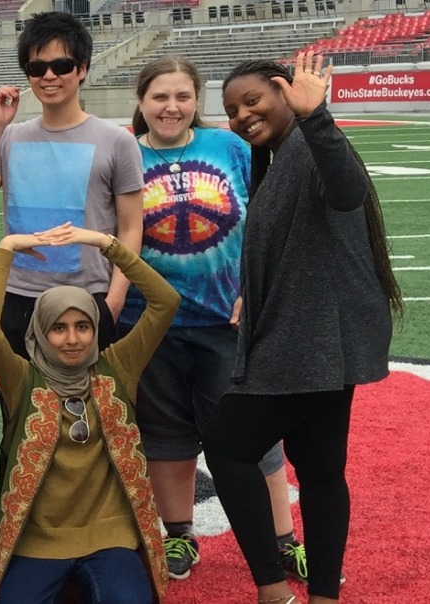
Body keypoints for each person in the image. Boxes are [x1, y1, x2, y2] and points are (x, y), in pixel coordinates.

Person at [207, 53, 400, 604]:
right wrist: (254, 291)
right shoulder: (277, 155)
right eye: (232, 109)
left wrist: (317, 117)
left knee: (227, 446)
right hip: (321, 338)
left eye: (253, 100)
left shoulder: (310, 145)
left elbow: (347, 189)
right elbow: (291, 244)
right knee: (319, 469)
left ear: (284, 92)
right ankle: (321, 597)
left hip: (310, 341)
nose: (243, 115)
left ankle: (272, 590)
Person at [123, 55, 302, 583]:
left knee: (254, 436)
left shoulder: (230, 147)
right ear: (141, 101)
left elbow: (268, 220)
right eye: (160, 96)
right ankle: (179, 534)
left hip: (228, 319)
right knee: (166, 436)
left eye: (181, 96)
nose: (171, 107)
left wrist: (257, 288)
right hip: (151, 322)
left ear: (195, 100)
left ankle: (283, 539)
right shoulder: (124, 153)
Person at [0, 225, 179, 603]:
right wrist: (6, 248)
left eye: (83, 326)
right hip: (38, 538)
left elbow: (165, 303)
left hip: (110, 534)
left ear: (95, 328)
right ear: (40, 332)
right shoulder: (22, 378)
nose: (73, 339)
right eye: (59, 328)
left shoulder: (118, 366)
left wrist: (108, 245)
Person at [0, 11, 145, 359]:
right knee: (21, 409)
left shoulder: (116, 141)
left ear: (82, 68)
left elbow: (132, 227)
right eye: (36, 68)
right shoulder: (11, 136)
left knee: (88, 407)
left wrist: (115, 299)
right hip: (17, 297)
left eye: (61, 65)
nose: (48, 76)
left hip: (87, 297)